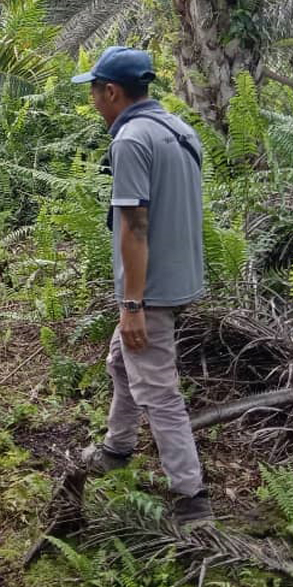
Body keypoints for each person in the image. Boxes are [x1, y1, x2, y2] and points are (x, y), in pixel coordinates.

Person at [72, 45, 212, 526]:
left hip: (149, 289)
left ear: (111, 91)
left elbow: (134, 225)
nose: (92, 100)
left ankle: (192, 501)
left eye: (94, 90)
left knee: (159, 390)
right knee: (120, 360)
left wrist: (132, 304)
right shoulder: (178, 128)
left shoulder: (131, 139)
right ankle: (118, 447)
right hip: (179, 277)